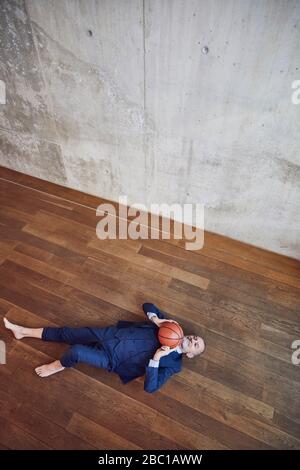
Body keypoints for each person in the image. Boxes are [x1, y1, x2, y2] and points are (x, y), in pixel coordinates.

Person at [3, 302, 205, 393]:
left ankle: (58, 365)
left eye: (196, 345)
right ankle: (22, 331)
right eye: (195, 337)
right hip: (110, 334)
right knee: (68, 333)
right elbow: (148, 305)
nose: (194, 340)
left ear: (190, 354)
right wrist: (158, 320)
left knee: (76, 351)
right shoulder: (172, 326)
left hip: (112, 359)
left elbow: (150, 388)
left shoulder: (174, 364)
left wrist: (157, 358)